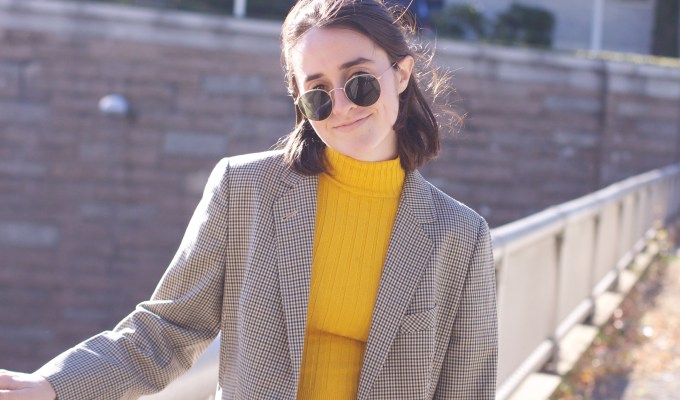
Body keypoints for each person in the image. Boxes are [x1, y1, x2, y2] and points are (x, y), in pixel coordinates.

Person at [0, 0, 497, 398]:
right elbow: (166, 330)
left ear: (402, 73)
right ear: (300, 103)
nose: (342, 106)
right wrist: (54, 387)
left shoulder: (461, 236)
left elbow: (468, 389)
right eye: (318, 93)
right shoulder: (245, 190)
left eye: (360, 82)